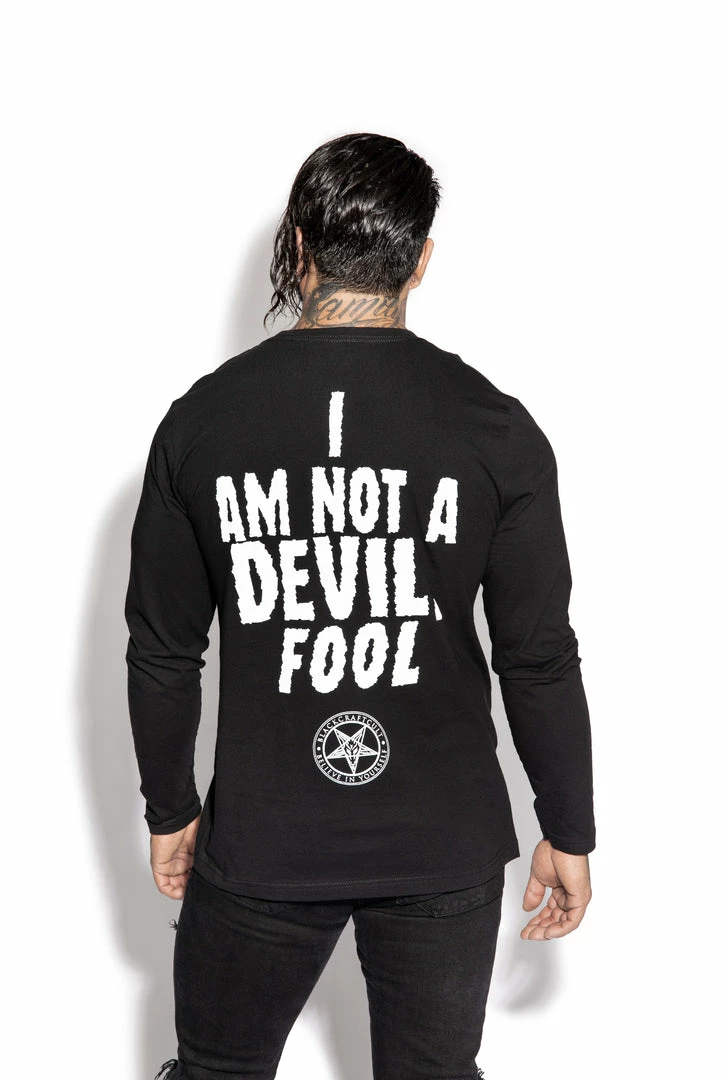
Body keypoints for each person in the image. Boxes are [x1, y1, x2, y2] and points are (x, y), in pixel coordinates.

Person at [124, 132, 595, 1080]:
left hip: (263, 837)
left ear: (298, 246)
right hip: (444, 841)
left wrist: (170, 809)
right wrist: (570, 826)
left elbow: (164, 649)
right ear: (420, 261)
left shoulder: (202, 423)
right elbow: (536, 654)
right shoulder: (495, 428)